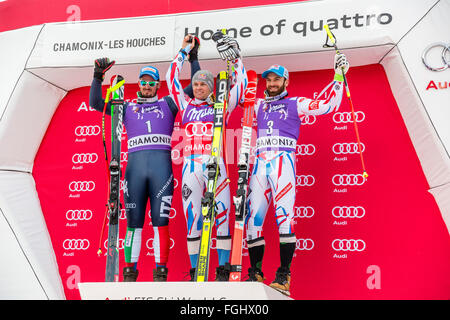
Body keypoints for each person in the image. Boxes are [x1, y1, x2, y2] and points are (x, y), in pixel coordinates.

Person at [89, 36, 201, 282]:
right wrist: (97, 76)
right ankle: (130, 273)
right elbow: (96, 103)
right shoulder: (126, 107)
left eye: (151, 82)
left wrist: (193, 59)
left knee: (161, 222)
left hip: (161, 170)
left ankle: (160, 274)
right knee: (134, 223)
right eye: (143, 82)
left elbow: (195, 87)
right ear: (138, 84)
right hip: (135, 172)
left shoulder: (169, 103)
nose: (147, 86)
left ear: (158, 85)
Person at [244, 54, 350, 295]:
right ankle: (256, 272)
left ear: (285, 82)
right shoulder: (257, 104)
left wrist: (338, 76)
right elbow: (237, 95)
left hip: (283, 163)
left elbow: (328, 106)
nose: (271, 84)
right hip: (260, 164)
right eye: (268, 80)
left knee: (284, 218)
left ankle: (283, 274)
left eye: (276, 80)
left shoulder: (296, 103)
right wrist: (236, 62)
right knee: (253, 222)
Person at [166, 33, 247, 281]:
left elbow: (242, 85)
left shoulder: (221, 105)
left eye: (204, 84)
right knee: (193, 222)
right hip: (190, 168)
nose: (199, 87)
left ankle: (223, 270)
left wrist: (236, 58)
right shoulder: (185, 104)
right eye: (197, 84)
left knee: (222, 216)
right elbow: (171, 79)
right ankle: (194, 272)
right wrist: (183, 52)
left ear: (212, 87)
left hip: (216, 167)